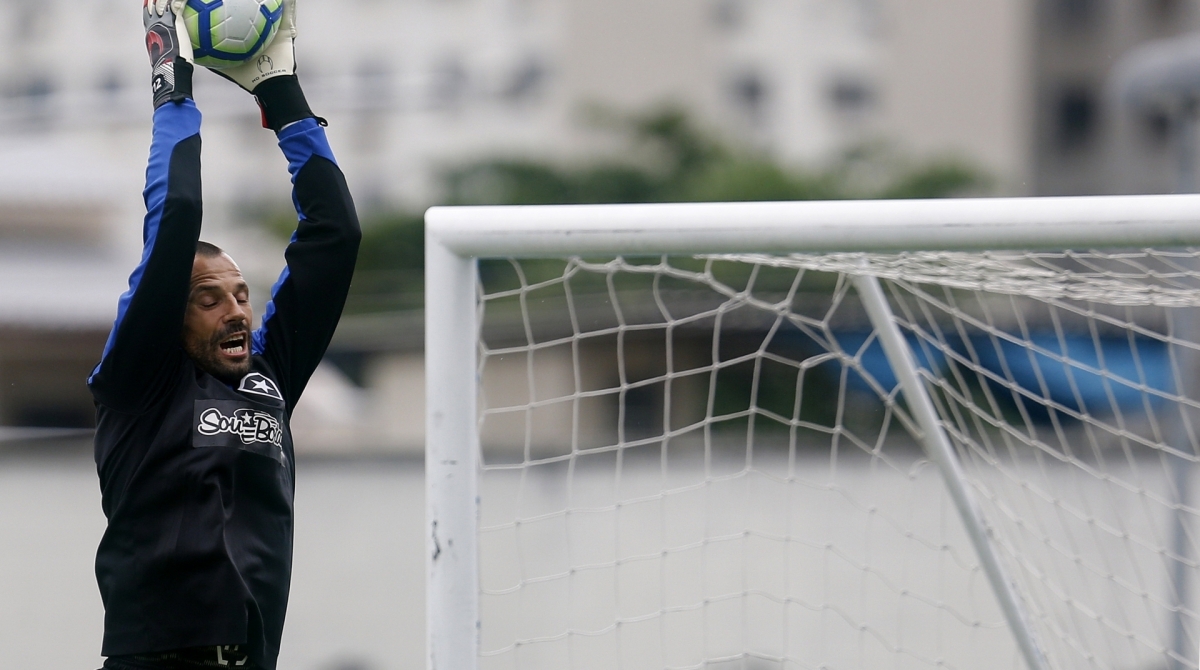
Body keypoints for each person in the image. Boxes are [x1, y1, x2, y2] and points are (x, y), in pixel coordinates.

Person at [87, 1, 360, 668]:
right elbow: (178, 211)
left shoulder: (269, 376)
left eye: (240, 295)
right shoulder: (139, 384)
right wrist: (171, 86)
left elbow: (335, 234)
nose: (235, 311)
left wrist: (282, 94)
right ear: (168, 315)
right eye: (208, 300)